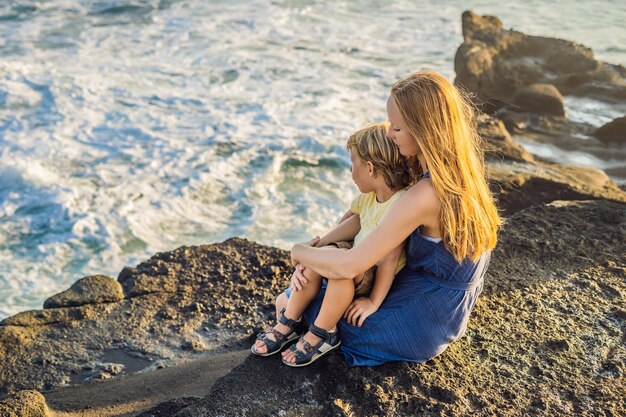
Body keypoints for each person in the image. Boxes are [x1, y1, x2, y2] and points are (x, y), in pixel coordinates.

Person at [284, 71, 502, 367]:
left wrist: (299, 252)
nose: (389, 134)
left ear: (424, 131)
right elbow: (367, 217)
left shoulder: (425, 195)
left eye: (397, 128)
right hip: (449, 303)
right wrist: (321, 250)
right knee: (321, 291)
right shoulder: (460, 171)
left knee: (307, 306)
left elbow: (352, 264)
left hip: (426, 317)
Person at [251, 123, 412, 366]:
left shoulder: (400, 203)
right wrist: (315, 250)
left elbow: (390, 259)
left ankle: (323, 333)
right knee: (322, 258)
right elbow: (354, 221)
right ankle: (289, 321)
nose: (350, 169)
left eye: (353, 162)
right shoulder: (369, 197)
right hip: (355, 257)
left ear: (369, 168)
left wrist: (373, 302)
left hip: (371, 270)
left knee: (338, 273)